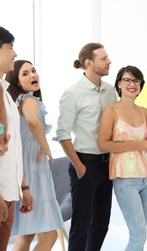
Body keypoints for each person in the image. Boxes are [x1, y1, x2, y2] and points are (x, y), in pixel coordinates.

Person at [53, 43, 117, 251]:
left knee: (101, 225)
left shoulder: (110, 91)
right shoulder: (73, 93)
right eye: (104, 58)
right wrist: (79, 167)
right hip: (84, 164)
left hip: (107, 165)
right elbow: (62, 134)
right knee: (81, 226)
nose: (109, 62)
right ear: (89, 63)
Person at [5, 60, 64, 250]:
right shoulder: (28, 100)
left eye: (34, 70)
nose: (32, 75)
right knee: (49, 236)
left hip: (25, 168)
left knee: (27, 235)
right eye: (25, 73)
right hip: (31, 169)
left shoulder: (16, 102)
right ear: (16, 81)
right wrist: (45, 145)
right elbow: (33, 122)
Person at [98, 65, 147, 250]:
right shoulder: (111, 111)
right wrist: (137, 144)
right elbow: (104, 144)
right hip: (125, 179)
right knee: (138, 234)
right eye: (127, 80)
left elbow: (144, 143)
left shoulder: (144, 112)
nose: (132, 84)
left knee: (140, 233)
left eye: (136, 81)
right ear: (119, 84)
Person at [0, 26, 34, 251]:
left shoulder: (5, 91)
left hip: (9, 192)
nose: (14, 53)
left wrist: (23, 186)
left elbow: (11, 147)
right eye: (10, 47)